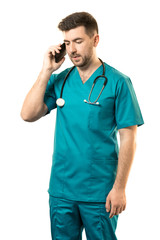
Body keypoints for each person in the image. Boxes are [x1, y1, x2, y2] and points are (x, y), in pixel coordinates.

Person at [21, 11, 144, 240]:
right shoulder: (62, 79)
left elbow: (129, 138)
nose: (71, 50)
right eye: (67, 43)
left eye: (78, 41)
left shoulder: (118, 83)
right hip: (62, 189)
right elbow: (28, 114)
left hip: (99, 192)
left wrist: (119, 188)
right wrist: (46, 70)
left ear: (95, 40)